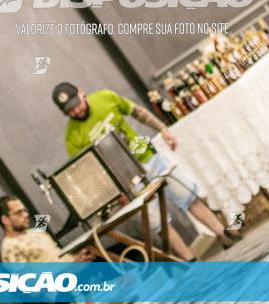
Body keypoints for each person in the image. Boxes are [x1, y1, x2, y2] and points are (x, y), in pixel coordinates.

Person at [51, 83, 241, 261]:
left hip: (145, 155)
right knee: (159, 224)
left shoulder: (105, 97)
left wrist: (162, 129)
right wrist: (116, 194)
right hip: (126, 181)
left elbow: (138, 113)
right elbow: (90, 170)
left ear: (81, 92)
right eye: (70, 111)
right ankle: (190, 261)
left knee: (188, 197)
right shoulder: (72, 137)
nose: (76, 111)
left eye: (76, 104)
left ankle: (223, 233)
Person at [0, 195, 92, 263]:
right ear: (5, 219)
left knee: (92, 245)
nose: (26, 215)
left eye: (25, 210)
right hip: (59, 289)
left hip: (75, 274)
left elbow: (56, 256)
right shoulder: (9, 247)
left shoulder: (35, 231)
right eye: (19, 212)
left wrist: (77, 259)